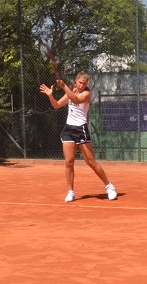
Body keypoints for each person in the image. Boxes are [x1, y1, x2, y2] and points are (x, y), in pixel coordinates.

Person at [39, 71, 117, 202]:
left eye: (84, 83)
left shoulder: (86, 94)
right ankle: (71, 192)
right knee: (69, 162)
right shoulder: (72, 91)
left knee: (90, 162)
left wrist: (64, 87)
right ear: (76, 81)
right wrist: (50, 96)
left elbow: (75, 100)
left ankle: (109, 186)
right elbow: (56, 105)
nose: (81, 85)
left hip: (81, 129)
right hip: (69, 129)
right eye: (80, 82)